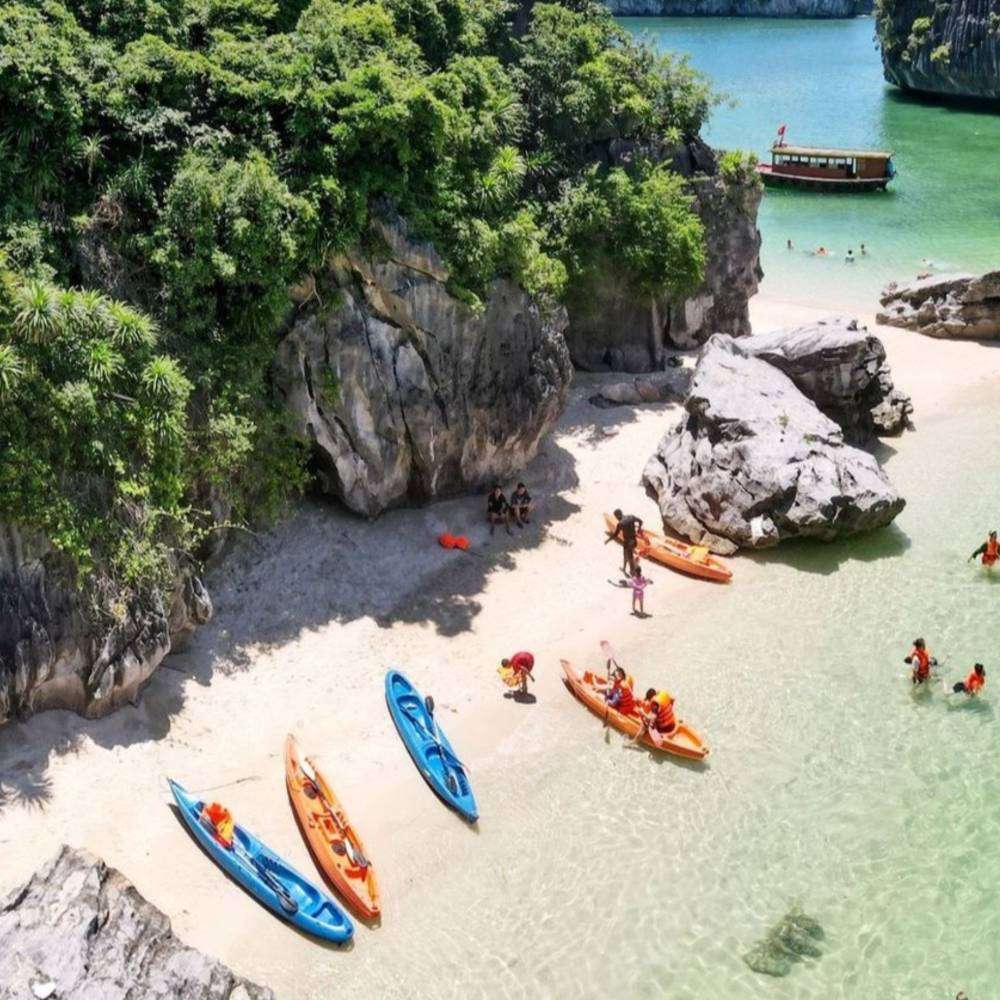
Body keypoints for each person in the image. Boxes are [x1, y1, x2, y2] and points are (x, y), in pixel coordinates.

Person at [606, 508, 644, 574]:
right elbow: (641, 521)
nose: (616, 518)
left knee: (629, 557)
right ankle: (624, 568)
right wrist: (639, 529)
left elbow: (615, 535)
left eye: (616, 517)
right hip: (634, 541)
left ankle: (632, 573)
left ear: (617, 516)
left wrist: (608, 540)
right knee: (627, 555)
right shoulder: (631, 517)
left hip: (628, 542)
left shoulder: (620, 524)